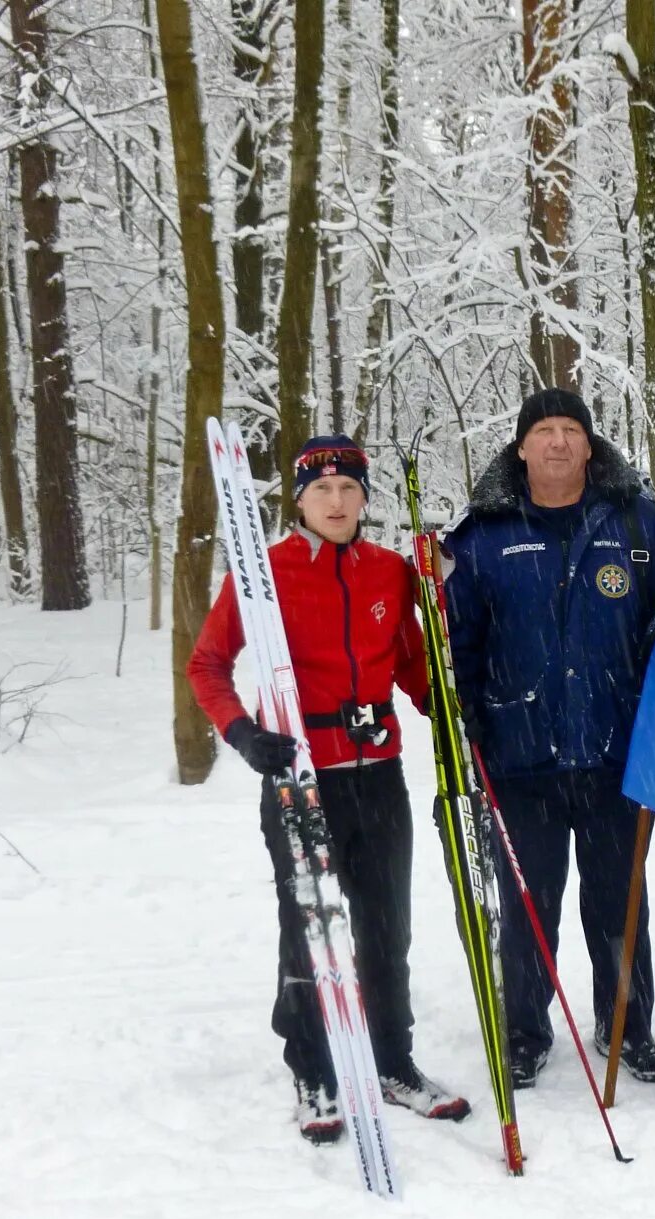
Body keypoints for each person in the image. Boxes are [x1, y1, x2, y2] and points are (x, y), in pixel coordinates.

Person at [188, 433, 470, 1144]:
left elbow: (410, 662)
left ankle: (392, 1061)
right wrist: (243, 733)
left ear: (364, 498)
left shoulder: (387, 572)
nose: (338, 501)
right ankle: (312, 1066)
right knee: (308, 926)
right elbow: (208, 664)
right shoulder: (264, 574)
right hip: (300, 777)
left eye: (350, 489)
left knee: (386, 927)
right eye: (323, 491)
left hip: (377, 773)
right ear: (300, 500)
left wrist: (445, 701)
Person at [441, 388, 655, 1090]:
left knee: (618, 901)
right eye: (542, 430)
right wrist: (466, 711)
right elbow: (457, 641)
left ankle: (627, 1028)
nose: (556, 443)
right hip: (522, 759)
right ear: (520, 447)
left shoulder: (636, 521)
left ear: (589, 444)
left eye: (570, 429)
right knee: (528, 906)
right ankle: (524, 1033)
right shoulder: (482, 535)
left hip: (617, 750)